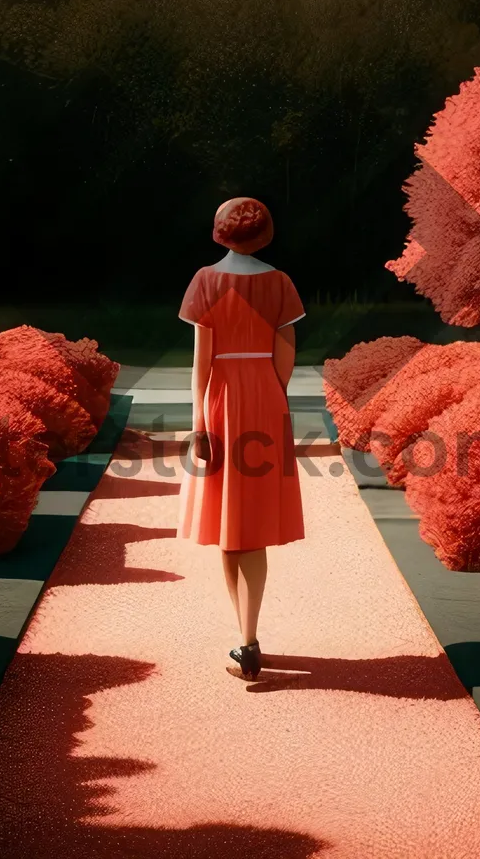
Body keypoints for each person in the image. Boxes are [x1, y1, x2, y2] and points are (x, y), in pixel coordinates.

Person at [175, 196, 306, 681]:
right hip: (267, 401)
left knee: (232, 521)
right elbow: (286, 352)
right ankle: (246, 637)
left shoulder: (205, 281)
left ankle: (247, 640)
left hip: (221, 399)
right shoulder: (280, 283)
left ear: (220, 231)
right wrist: (273, 395)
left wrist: (198, 425)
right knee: (247, 523)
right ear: (265, 232)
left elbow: (201, 363)